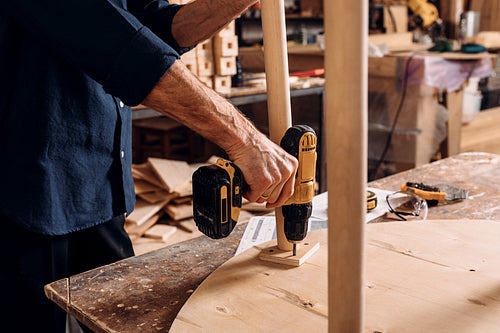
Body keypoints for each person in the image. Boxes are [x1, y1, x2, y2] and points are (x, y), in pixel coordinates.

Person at [0, 1, 298, 332]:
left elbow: (157, 27)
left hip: (101, 186)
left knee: (124, 324)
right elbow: (118, 43)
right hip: (23, 193)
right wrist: (244, 138)